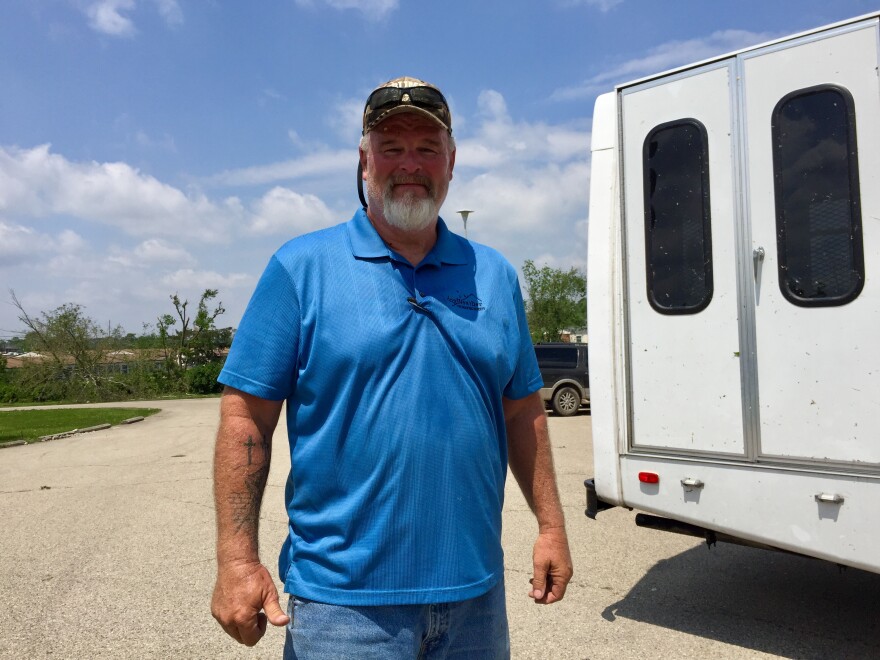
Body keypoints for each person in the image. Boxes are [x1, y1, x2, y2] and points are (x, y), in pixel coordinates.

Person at [210, 76, 573, 659]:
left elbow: (523, 407)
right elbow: (245, 419)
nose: (410, 163)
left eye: (428, 147)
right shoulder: (300, 268)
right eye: (391, 146)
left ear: (451, 162)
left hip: (475, 605)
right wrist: (236, 560)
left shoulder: (496, 276)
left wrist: (551, 527)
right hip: (341, 611)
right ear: (363, 161)